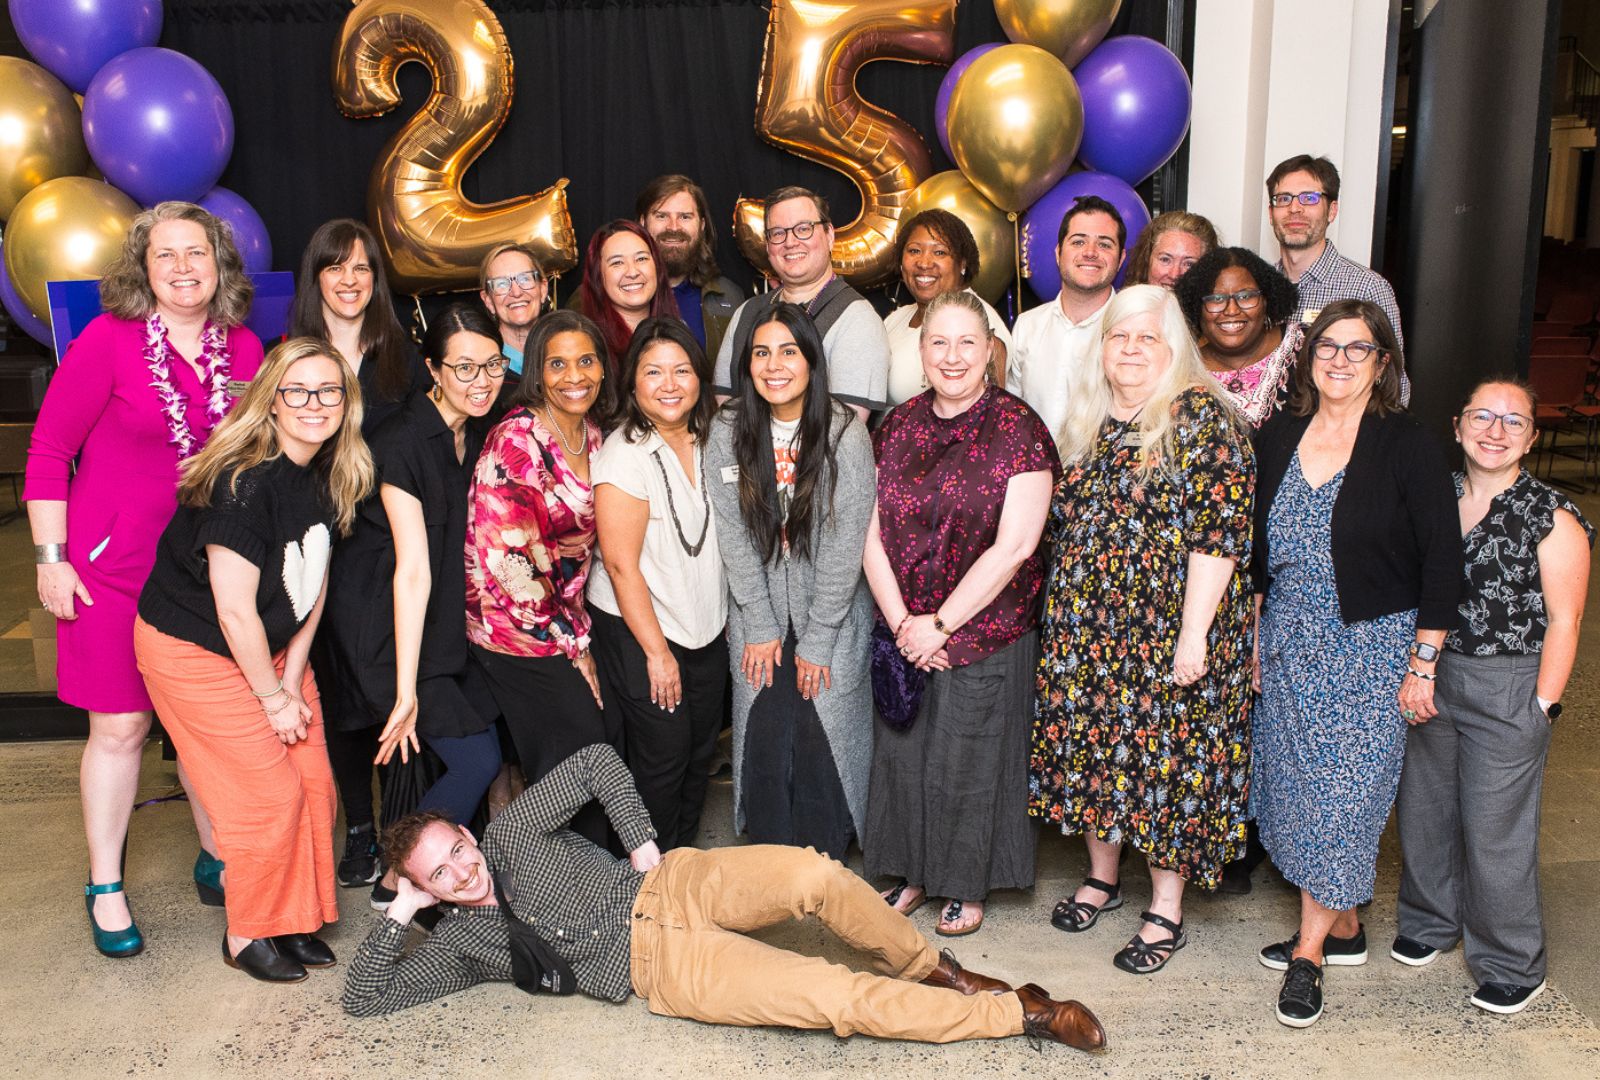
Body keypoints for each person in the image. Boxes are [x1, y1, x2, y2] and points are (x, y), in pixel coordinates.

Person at [342, 743, 1108, 1054]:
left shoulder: (508, 838)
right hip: (662, 970)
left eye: (458, 847)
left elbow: (596, 764)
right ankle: (1020, 1013)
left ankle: (933, 967)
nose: (463, 869)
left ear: (469, 834)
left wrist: (641, 839)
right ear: (427, 889)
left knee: (816, 876)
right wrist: (400, 915)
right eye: (439, 874)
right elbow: (367, 1000)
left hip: (673, 881)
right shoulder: (461, 945)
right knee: (830, 995)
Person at [25, 200, 264, 956]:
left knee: (207, 731)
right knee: (121, 728)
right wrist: (52, 559)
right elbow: (45, 454)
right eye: (167, 255)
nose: (184, 268)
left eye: (198, 253)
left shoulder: (248, 350)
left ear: (220, 264)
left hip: (202, 576)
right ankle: (105, 884)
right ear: (143, 268)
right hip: (109, 574)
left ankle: (219, 855)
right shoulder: (108, 342)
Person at [133, 336, 375, 982]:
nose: (314, 403)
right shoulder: (242, 484)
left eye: (329, 390)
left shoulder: (331, 470)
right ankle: (247, 933)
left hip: (271, 647)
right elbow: (234, 610)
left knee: (315, 784)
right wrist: (272, 699)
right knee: (267, 794)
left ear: (345, 402)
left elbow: (311, 581)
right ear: (270, 401)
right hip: (195, 648)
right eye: (297, 390)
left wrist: (293, 678)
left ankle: (291, 920)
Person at [1029, 285, 1256, 975]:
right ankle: (1101, 879)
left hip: (1168, 627)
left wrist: (1194, 637)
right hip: (1089, 628)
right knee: (1098, 750)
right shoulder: (1091, 415)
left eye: (1146, 338)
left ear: (1174, 348)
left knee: (1168, 764)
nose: (1129, 349)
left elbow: (1218, 539)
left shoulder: (1202, 418)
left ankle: (1164, 908)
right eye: (1118, 337)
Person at [1251, 299, 1461, 1029]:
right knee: (1292, 793)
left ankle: (1307, 957)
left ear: (1383, 363)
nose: (1340, 360)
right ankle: (1342, 928)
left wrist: (1424, 663)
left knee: (1344, 804)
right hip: (1288, 640)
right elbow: (1255, 556)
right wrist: (1253, 637)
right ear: (1307, 358)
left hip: (1374, 646)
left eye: (1358, 348)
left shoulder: (1406, 443)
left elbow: (1443, 560)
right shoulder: (1278, 434)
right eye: (1327, 347)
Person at [864, 290, 1059, 937]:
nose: (952, 356)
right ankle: (915, 873)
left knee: (966, 759)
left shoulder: (1020, 429)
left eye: (966, 343)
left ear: (989, 353)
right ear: (920, 354)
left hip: (984, 631)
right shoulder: (894, 428)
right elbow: (865, 532)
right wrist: (902, 624)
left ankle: (964, 884)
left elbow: (1017, 546)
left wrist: (939, 624)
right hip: (905, 625)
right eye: (938, 343)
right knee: (906, 754)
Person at [1395, 380, 1592, 1015]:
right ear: (1457, 426)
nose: (1495, 430)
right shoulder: (1435, 498)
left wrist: (1543, 706)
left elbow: (1565, 621)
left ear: (1532, 438)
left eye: (1514, 421)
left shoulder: (1551, 517)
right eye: (1483, 416)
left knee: (1495, 827)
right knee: (1424, 810)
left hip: (1509, 682)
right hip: (1430, 674)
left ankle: (1511, 960)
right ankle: (1430, 922)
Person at [321, 303, 508, 910]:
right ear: (433, 368)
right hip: (388, 627)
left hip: (446, 622)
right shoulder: (400, 440)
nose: (481, 381)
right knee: (477, 760)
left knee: (486, 751)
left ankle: (432, 871)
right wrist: (405, 693)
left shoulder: (480, 427)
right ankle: (398, 882)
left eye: (492, 365)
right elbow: (412, 569)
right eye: (464, 369)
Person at [289, 217, 431, 889]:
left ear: (377, 281)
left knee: (392, 684)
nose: (350, 280)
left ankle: (402, 832)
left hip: (389, 547)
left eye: (363, 268)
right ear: (315, 277)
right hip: (315, 548)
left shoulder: (405, 355)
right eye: (335, 266)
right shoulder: (286, 355)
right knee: (334, 686)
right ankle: (356, 829)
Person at [705, 303, 875, 858]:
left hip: (831, 611)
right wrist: (757, 622)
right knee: (767, 726)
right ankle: (771, 859)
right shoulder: (728, 431)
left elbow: (847, 543)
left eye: (788, 351)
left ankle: (823, 856)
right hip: (759, 614)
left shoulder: (844, 433)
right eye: (760, 352)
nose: (774, 365)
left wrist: (820, 638)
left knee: (821, 726)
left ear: (811, 360)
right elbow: (732, 533)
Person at [466, 310, 621, 849]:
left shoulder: (595, 434)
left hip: (570, 618)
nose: (573, 375)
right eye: (557, 364)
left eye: (585, 361)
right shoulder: (516, 440)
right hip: (515, 630)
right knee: (579, 754)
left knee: (599, 749)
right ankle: (574, 893)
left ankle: (590, 881)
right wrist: (573, 646)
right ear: (537, 370)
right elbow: (513, 567)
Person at [589, 319, 727, 849]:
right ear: (632, 383)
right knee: (663, 758)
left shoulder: (714, 438)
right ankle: (649, 886)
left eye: (682, 370)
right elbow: (621, 567)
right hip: (642, 630)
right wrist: (657, 653)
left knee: (698, 752)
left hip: (704, 625)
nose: (669, 385)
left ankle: (683, 865)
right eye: (653, 372)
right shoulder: (623, 454)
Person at [714, 186, 890, 421]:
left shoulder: (857, 319)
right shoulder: (746, 314)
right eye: (777, 233)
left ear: (829, 235)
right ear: (767, 245)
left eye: (803, 229)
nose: (790, 242)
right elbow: (725, 412)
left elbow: (845, 429)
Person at [1266, 155, 1407, 362]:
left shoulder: (1368, 289)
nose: (1294, 208)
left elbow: (1395, 383)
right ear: (1271, 214)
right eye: (1284, 198)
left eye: (1309, 198)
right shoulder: (1259, 289)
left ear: (1332, 211)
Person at [1007, 195, 1125, 437]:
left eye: (1104, 244)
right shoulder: (1027, 326)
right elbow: (1012, 415)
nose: (1090, 252)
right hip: (1035, 471)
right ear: (1059, 253)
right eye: (1079, 242)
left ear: (1121, 258)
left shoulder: (1136, 333)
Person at [882, 208, 1013, 406]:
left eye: (939, 252)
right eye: (914, 250)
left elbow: (989, 419)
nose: (924, 263)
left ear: (962, 264)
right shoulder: (895, 319)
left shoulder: (978, 321)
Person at [1174, 247, 1302, 431]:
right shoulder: (1180, 372)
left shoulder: (1306, 347)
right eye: (1216, 299)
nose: (1232, 310)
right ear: (1196, 307)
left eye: (1246, 296)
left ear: (1266, 300)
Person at [635, 174, 744, 360]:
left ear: (702, 225)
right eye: (661, 216)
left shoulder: (730, 296)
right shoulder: (608, 292)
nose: (674, 227)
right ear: (643, 222)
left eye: (685, 217)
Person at [576, 220, 679, 370]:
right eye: (617, 263)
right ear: (598, 276)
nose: (632, 272)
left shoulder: (680, 333)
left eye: (641, 259)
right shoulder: (585, 345)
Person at [478, 241, 549, 377]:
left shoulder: (568, 352)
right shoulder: (481, 369)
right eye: (502, 284)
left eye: (525, 279)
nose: (516, 292)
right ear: (488, 301)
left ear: (543, 289)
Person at [1123, 210, 1219, 290]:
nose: (1174, 275)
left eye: (1189, 264)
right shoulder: (1124, 310)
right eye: (1165, 260)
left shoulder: (1216, 311)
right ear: (1147, 260)